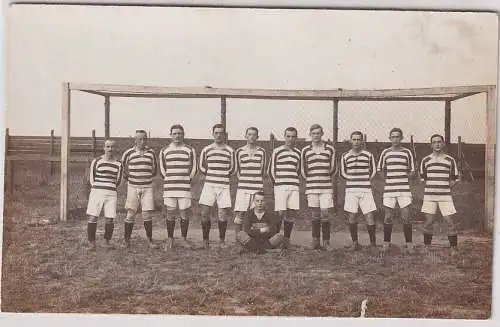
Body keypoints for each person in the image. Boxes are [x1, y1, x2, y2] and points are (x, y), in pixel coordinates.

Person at [419, 134, 460, 254]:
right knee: (429, 221)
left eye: (439, 142)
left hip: (445, 196)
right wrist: (432, 187)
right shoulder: (426, 160)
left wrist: (446, 187)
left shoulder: (450, 160)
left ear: (443, 144)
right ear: (431, 144)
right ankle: (427, 247)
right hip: (430, 196)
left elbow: (455, 178)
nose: (437, 144)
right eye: (434, 142)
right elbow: (422, 178)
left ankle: (453, 248)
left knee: (450, 221)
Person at [377, 128, 416, 253]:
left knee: (406, 217)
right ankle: (386, 243)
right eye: (393, 137)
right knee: (388, 217)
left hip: (404, 190)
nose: (395, 139)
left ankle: (409, 244)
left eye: (398, 136)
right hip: (390, 190)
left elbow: (413, 171)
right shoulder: (385, 152)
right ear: (390, 138)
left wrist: (404, 178)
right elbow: (379, 170)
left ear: (401, 138)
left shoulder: (407, 152)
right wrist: (388, 180)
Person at [159, 124, 197, 250]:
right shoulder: (164, 150)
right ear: (170, 135)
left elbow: (194, 168)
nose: (177, 136)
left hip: (184, 187)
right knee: (170, 212)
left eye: (179, 133)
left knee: (184, 213)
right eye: (174, 133)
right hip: (170, 187)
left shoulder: (190, 150)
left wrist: (187, 179)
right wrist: (169, 179)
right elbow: (162, 169)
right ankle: (170, 239)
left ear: (183, 134)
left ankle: (183, 239)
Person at [198, 123, 235, 249]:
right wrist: (210, 174)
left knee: (222, 214)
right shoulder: (206, 149)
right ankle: (205, 240)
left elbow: (233, 168)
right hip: (209, 185)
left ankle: (222, 240)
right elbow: (201, 166)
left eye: (221, 133)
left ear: (224, 135)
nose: (219, 135)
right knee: (204, 213)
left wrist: (223, 175)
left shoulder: (230, 150)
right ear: (213, 134)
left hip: (223, 185)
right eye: (216, 133)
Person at [121, 129, 159, 249]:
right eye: (140, 139)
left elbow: (155, 169)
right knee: (130, 213)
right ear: (135, 140)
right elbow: (122, 167)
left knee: (147, 214)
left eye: (144, 139)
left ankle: (149, 240)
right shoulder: (128, 153)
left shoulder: (151, 152)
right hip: (133, 186)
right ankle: (126, 240)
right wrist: (130, 178)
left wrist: (146, 178)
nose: (142, 141)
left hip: (147, 187)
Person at [300, 124, 336, 250]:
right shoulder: (305, 150)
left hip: (326, 187)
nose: (316, 135)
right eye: (313, 133)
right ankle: (315, 241)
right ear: (310, 134)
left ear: (322, 134)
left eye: (318, 133)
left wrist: (324, 177)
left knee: (325, 213)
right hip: (312, 186)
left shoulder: (329, 149)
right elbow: (303, 170)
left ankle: (326, 242)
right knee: (315, 214)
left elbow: (333, 168)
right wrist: (310, 179)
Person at [339, 131, 377, 251]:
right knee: (352, 216)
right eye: (354, 139)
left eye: (358, 139)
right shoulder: (345, 156)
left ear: (362, 141)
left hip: (365, 190)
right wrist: (352, 179)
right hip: (351, 190)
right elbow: (342, 172)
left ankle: (372, 244)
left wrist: (365, 179)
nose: (356, 142)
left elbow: (373, 171)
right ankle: (355, 243)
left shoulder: (368, 155)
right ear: (350, 141)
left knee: (369, 216)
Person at [86, 139, 123, 250]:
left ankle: (107, 242)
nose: (110, 149)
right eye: (108, 146)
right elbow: (92, 179)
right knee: (93, 217)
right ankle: (92, 243)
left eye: (112, 147)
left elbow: (119, 181)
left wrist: (110, 188)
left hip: (111, 193)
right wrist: (97, 189)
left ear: (115, 148)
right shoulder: (97, 161)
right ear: (104, 148)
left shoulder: (118, 163)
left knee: (110, 219)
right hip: (97, 192)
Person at [268, 127, 301, 251]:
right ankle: (275, 241)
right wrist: (276, 184)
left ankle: (286, 241)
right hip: (280, 186)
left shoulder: (298, 153)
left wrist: (291, 180)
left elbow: (298, 170)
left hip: (293, 186)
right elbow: (271, 170)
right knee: (279, 213)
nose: (290, 139)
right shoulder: (277, 151)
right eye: (288, 136)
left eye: (293, 137)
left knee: (291, 213)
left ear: (296, 138)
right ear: (284, 137)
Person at [233, 127, 267, 235]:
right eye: (249, 134)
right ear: (246, 136)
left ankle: (250, 239)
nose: (252, 137)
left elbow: (262, 170)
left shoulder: (262, 151)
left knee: (253, 214)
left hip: (256, 188)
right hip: (243, 188)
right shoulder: (239, 151)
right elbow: (237, 170)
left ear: (257, 137)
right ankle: (238, 239)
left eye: (254, 135)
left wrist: (255, 181)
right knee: (240, 213)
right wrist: (244, 181)